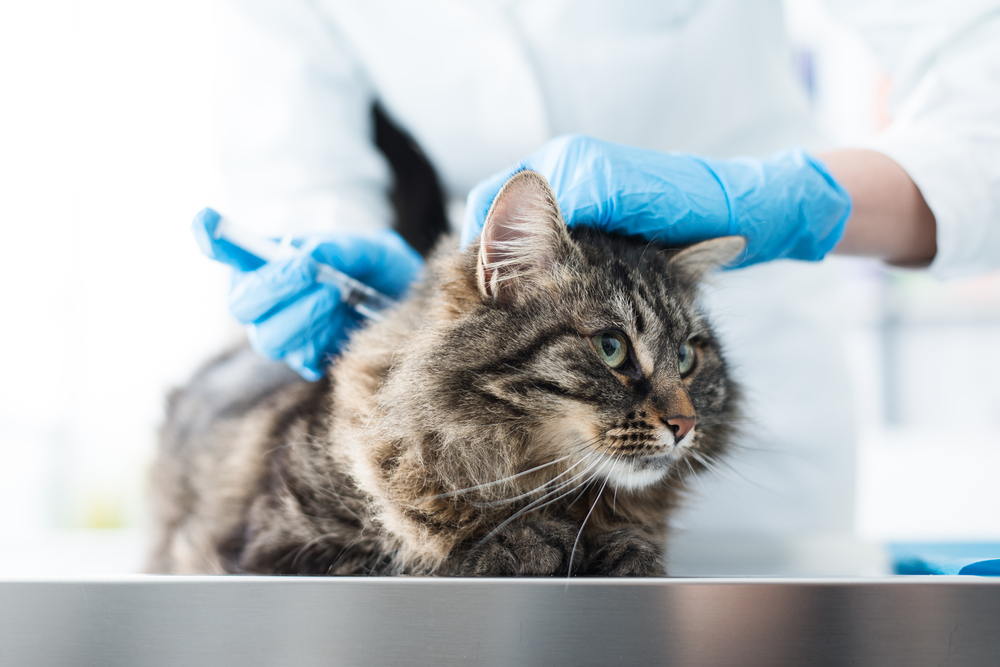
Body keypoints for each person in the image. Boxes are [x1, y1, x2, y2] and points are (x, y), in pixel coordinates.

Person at [213, 0, 1000, 573]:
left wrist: (797, 200)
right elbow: (296, 159)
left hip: (745, 375)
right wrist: (323, 249)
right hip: (505, 311)